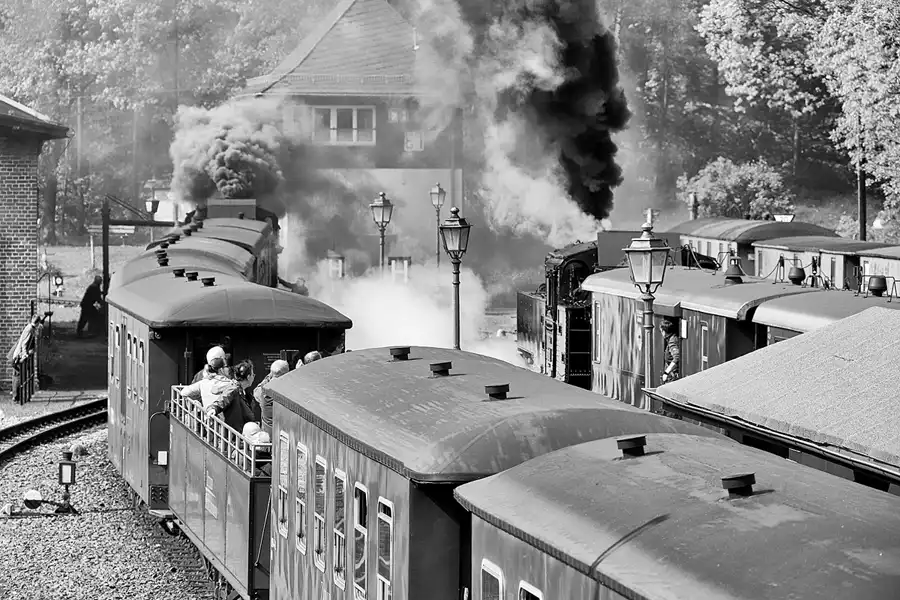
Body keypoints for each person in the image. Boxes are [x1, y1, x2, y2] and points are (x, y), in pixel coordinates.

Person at [205, 359, 256, 434]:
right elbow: (225, 398)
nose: (254, 376)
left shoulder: (245, 392)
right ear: (248, 377)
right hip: (234, 437)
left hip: (241, 435)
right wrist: (214, 408)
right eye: (253, 374)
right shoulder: (234, 388)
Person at [7, 314, 42, 404]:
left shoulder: (30, 327)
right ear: (37, 322)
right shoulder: (30, 329)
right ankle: (15, 397)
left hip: (18, 354)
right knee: (17, 376)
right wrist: (25, 354)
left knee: (17, 376)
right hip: (18, 356)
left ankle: (16, 396)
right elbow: (24, 343)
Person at [253, 360, 289, 435]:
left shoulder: (263, 389)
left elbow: (256, 392)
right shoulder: (285, 390)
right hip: (281, 436)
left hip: (267, 435)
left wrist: (270, 375)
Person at [660, 318, 681, 384]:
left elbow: (677, 357)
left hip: (673, 376)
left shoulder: (672, 341)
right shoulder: (672, 338)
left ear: (664, 331)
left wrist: (666, 372)